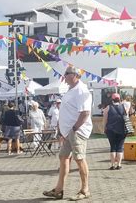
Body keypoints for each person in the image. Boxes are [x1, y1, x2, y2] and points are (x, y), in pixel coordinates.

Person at [43, 66, 92, 201]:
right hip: (68, 132)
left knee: (80, 159)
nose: (64, 76)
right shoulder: (71, 90)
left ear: (75, 75)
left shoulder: (81, 90)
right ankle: (59, 190)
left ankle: (85, 189)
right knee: (63, 158)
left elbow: (85, 113)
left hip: (77, 131)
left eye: (66, 73)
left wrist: (75, 129)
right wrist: (63, 129)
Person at [103, 93, 126, 170]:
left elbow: (105, 119)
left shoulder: (108, 108)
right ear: (119, 99)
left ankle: (112, 165)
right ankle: (119, 164)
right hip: (122, 129)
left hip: (110, 129)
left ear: (112, 99)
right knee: (120, 147)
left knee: (113, 147)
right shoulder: (124, 106)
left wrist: (104, 128)